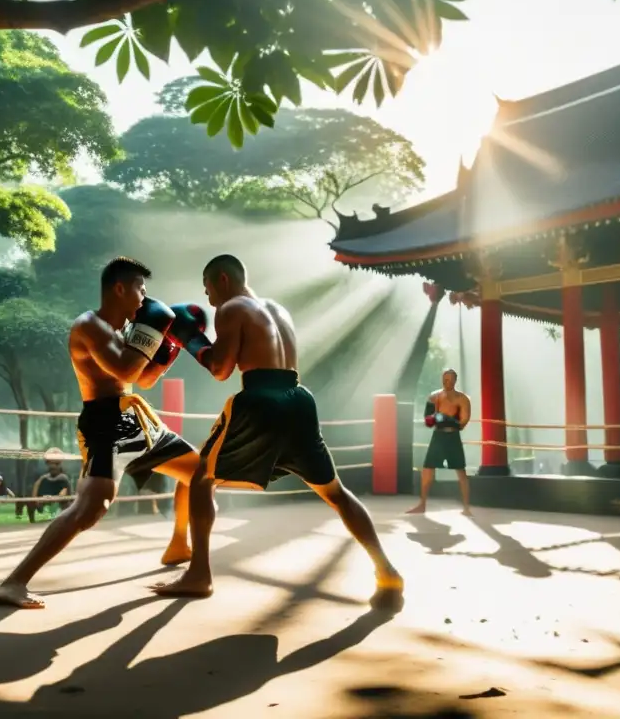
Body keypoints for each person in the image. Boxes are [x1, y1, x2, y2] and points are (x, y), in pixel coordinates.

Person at [151, 254, 404, 609]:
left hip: (260, 400)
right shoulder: (278, 310)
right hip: (299, 399)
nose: (208, 300)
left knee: (200, 479)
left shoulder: (231, 308)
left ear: (223, 279)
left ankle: (199, 574)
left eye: (208, 290)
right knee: (336, 493)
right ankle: (387, 572)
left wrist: (191, 340)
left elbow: (221, 370)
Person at [0, 257, 202, 609]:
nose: (144, 297)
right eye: (140, 289)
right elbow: (123, 366)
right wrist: (156, 330)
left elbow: (144, 377)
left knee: (199, 472)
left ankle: (180, 542)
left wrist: (171, 343)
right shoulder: (88, 327)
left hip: (135, 418)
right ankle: (14, 582)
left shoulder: (126, 330)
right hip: (105, 422)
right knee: (91, 507)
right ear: (120, 288)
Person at [406, 369, 472, 516]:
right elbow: (428, 421)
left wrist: (446, 419)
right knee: (427, 469)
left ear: (455, 381)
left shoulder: (463, 399)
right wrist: (434, 418)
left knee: (461, 471)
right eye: (444, 380)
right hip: (438, 437)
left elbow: (462, 423)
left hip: (453, 437)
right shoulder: (434, 397)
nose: (446, 383)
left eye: (449, 380)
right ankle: (422, 504)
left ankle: (466, 507)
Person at [19, 450, 72, 523]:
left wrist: (52, 498)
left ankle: (64, 518)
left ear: (59, 464)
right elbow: (36, 486)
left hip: (59, 499)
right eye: (50, 463)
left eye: (55, 463)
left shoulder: (64, 477)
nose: (52, 465)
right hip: (44, 497)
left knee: (66, 503)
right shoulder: (43, 476)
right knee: (30, 501)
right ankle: (32, 520)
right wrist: (35, 499)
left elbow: (63, 493)